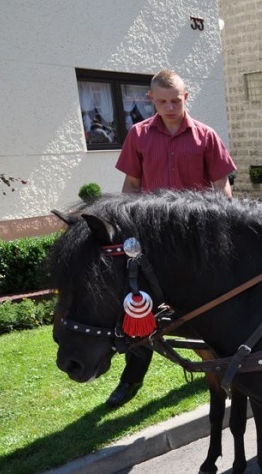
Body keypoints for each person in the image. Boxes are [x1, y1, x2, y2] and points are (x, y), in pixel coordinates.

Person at [107, 69, 237, 407]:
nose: (169, 107)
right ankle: (131, 380)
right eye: (162, 101)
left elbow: (221, 185)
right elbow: (132, 186)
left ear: (186, 97)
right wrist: (125, 225)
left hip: (195, 240)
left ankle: (225, 364)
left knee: (210, 302)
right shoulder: (138, 135)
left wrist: (222, 226)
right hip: (153, 241)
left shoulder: (206, 136)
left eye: (175, 101)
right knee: (138, 305)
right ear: (151, 99)